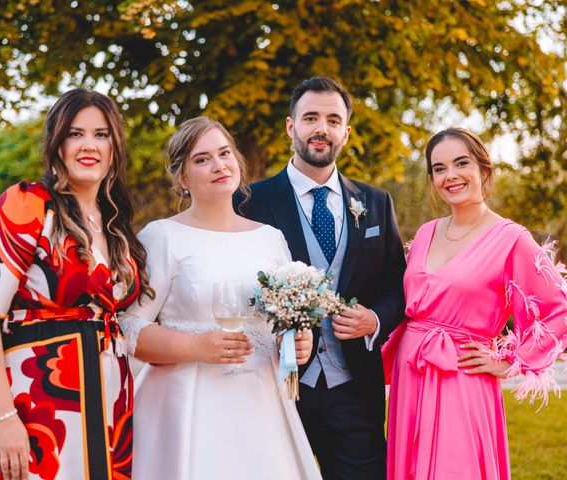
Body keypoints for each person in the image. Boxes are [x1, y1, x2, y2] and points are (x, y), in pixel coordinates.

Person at [0, 89, 151, 480]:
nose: (89, 145)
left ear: (115, 146)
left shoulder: (115, 224)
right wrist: (3, 416)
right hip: (31, 401)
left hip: (108, 403)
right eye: (75, 134)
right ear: (56, 143)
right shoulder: (26, 206)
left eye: (101, 134)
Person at [118, 116, 322, 480]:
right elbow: (129, 327)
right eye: (202, 159)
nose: (219, 165)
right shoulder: (164, 237)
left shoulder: (269, 239)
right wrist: (196, 347)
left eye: (224, 153)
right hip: (189, 406)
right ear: (182, 177)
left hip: (261, 405)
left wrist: (295, 341)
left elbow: (282, 324)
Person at [236, 76, 407, 479]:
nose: (321, 129)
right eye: (311, 117)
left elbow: (395, 282)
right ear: (290, 126)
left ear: (345, 132)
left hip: (354, 390)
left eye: (333, 120)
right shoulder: (248, 201)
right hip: (275, 388)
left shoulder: (376, 202)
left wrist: (375, 320)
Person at [383, 127, 567, 479]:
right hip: (411, 380)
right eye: (439, 168)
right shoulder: (425, 233)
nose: (450, 175)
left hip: (462, 378)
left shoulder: (511, 239)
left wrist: (510, 361)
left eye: (461, 163)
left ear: (484, 169)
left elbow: (559, 310)